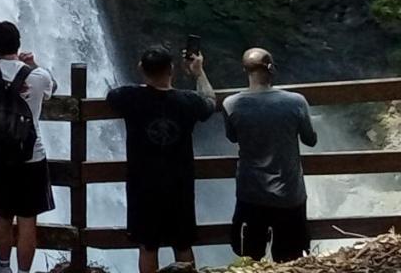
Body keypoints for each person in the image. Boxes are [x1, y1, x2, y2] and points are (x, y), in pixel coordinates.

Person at [106, 46, 216, 273]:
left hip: (142, 185)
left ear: (140, 68)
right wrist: (198, 72)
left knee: (147, 246)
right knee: (183, 244)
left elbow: (111, 95)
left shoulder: (129, 98)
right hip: (180, 184)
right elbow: (210, 101)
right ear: (172, 69)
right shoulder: (188, 101)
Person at [0, 21, 57, 273]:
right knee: (28, 219)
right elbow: (54, 89)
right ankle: (23, 272)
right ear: (18, 44)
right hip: (31, 155)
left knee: (3, 215)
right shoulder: (38, 76)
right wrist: (33, 64)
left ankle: (4, 268)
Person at [223, 48, 318, 263]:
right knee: (290, 260)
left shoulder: (231, 104)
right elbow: (310, 140)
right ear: (271, 69)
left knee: (250, 258)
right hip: (289, 195)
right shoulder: (296, 101)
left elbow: (232, 137)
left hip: (251, 195)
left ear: (244, 70)